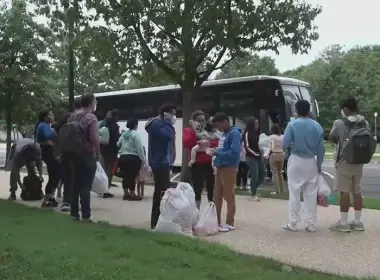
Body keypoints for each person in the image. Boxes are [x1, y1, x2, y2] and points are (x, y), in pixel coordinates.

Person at [328, 97, 370, 232]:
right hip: (359, 160)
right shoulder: (365, 122)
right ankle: (357, 221)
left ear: (346, 109)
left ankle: (343, 222)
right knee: (357, 190)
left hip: (344, 161)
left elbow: (332, 137)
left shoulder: (340, 123)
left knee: (344, 191)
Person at [282, 100, 324, 232]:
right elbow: (321, 148)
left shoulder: (292, 124)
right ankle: (311, 224)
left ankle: (293, 223)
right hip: (311, 160)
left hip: (296, 159)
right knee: (310, 194)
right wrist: (319, 165)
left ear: (296, 110)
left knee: (294, 192)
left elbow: (285, 143)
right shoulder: (317, 126)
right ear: (309, 110)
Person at [66, 93, 99, 222]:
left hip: (73, 153)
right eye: (95, 101)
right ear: (91, 103)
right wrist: (98, 152)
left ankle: (74, 214)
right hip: (86, 153)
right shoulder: (91, 117)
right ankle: (86, 215)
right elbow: (94, 138)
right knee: (86, 186)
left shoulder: (72, 116)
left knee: (75, 184)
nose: (96, 104)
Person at [145, 104, 176, 229]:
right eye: (172, 114)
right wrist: (169, 124)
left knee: (163, 191)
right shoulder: (157, 124)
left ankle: (160, 219)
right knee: (161, 192)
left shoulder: (161, 124)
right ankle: (156, 221)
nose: (174, 117)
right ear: (165, 113)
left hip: (164, 161)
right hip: (159, 161)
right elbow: (168, 136)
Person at [211, 112, 241, 232]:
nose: (218, 129)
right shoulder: (224, 133)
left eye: (219, 126)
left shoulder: (234, 133)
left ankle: (230, 222)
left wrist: (218, 153)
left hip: (229, 167)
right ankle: (216, 221)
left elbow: (234, 152)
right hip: (220, 167)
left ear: (225, 122)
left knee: (229, 195)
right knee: (216, 196)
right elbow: (223, 149)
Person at [183, 110, 218, 209]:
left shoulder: (208, 130)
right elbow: (187, 143)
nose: (202, 123)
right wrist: (194, 131)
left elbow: (216, 142)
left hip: (209, 163)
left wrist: (206, 143)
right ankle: (196, 212)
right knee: (197, 189)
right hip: (197, 164)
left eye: (203, 120)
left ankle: (212, 211)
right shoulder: (188, 130)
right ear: (193, 121)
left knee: (211, 188)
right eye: (199, 120)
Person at [56, 98, 82, 212]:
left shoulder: (66, 116)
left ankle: (66, 201)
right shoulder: (83, 116)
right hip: (78, 150)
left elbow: (55, 129)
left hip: (65, 150)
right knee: (78, 176)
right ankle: (75, 201)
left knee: (68, 176)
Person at [35, 109, 60, 208]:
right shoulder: (44, 125)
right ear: (45, 117)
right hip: (47, 152)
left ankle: (50, 197)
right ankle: (46, 199)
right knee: (54, 174)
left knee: (56, 174)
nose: (53, 116)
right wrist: (55, 130)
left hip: (48, 151)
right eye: (51, 115)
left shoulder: (44, 125)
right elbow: (49, 135)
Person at [117, 118, 145, 201]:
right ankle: (133, 194)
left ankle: (126, 193)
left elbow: (118, 144)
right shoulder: (136, 134)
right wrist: (142, 158)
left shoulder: (124, 134)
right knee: (132, 176)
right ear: (136, 125)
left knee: (125, 176)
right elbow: (139, 148)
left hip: (123, 157)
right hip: (133, 158)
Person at [243, 117, 266, 201]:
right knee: (255, 174)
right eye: (255, 124)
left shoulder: (259, 134)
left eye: (258, 123)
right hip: (251, 156)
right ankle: (253, 193)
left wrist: (263, 153)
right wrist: (256, 154)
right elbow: (247, 147)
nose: (257, 125)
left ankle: (253, 189)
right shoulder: (247, 133)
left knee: (263, 174)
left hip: (259, 156)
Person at [100, 109, 120, 198]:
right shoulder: (115, 126)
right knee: (110, 170)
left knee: (104, 170)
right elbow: (116, 138)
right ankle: (106, 190)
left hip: (104, 150)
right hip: (112, 150)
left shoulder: (105, 124)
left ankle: (102, 189)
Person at [268, 123, 285, 194]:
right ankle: (282, 190)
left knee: (274, 173)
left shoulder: (271, 137)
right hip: (281, 154)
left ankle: (276, 190)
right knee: (280, 173)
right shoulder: (283, 137)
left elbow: (269, 147)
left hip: (273, 154)